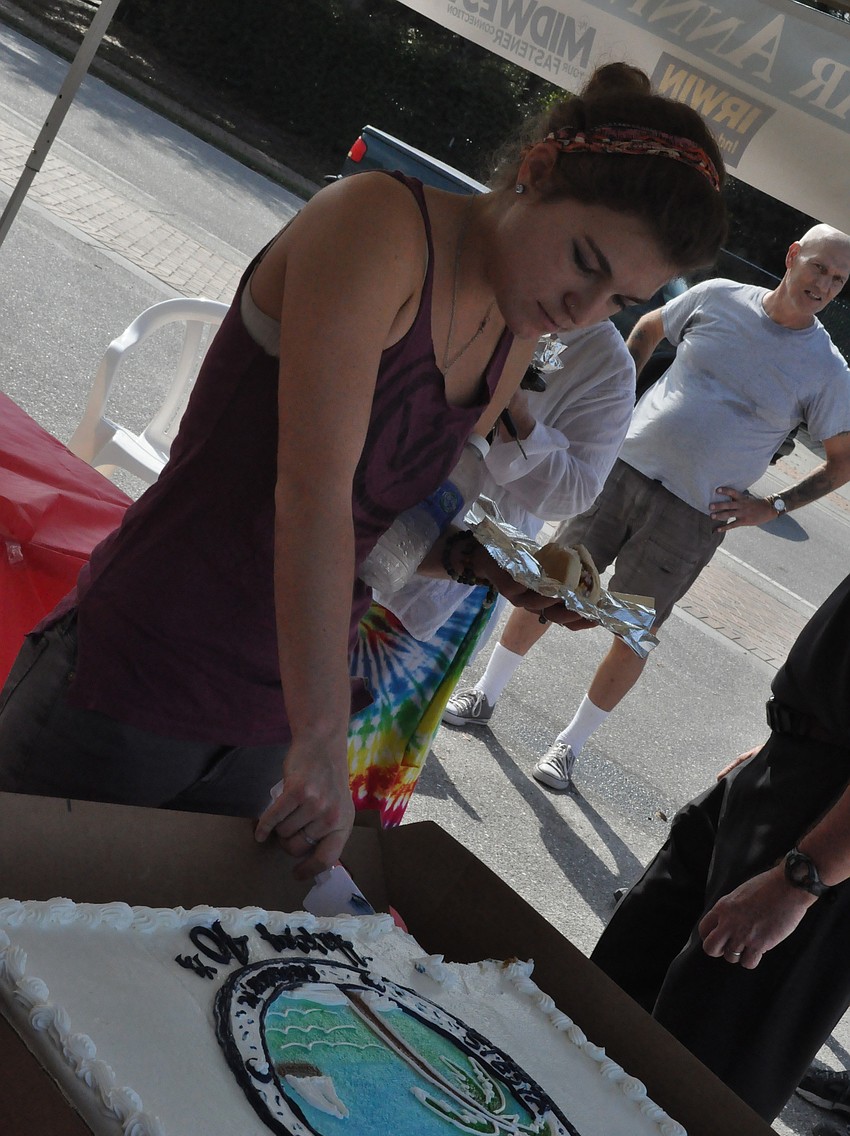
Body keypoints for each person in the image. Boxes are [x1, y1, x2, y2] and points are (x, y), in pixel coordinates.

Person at [0, 62, 727, 880]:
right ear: (536, 171)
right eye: (585, 262)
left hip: (275, 708)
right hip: (145, 662)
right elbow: (310, 496)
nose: (584, 310)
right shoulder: (379, 224)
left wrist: (464, 559)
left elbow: (377, 528)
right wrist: (319, 736)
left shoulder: (515, 330)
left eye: (619, 301)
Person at [444, 225, 850, 793]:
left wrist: (773, 505)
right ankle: (484, 692)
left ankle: (569, 747)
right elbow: (647, 327)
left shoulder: (828, 370)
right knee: (550, 581)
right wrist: (615, 408)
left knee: (634, 630)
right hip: (618, 470)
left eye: (838, 279)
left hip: (693, 515)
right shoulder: (719, 297)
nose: (825, 285)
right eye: (819, 268)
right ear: (792, 257)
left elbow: (842, 462)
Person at [589, 567, 850, 1123]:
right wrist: (785, 742)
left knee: (692, 1084)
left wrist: (802, 879)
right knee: (606, 1001)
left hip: (827, 839)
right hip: (795, 766)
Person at [349, 320, 635, 826]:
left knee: (351, 764)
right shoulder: (487, 289)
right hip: (351, 513)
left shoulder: (607, 367)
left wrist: (519, 416)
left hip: (446, 580)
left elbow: (572, 493)